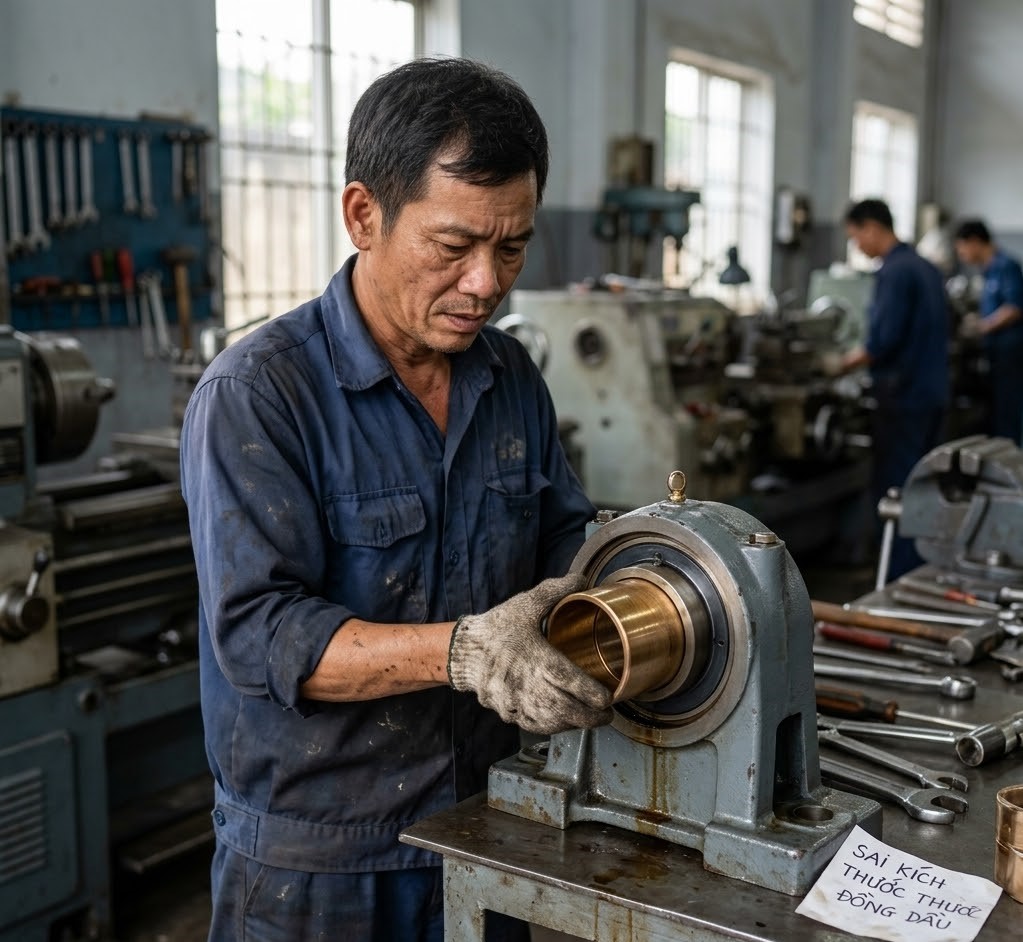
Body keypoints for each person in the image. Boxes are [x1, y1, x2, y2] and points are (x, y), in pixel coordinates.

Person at [179, 57, 614, 942]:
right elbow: (261, 635)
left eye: (512, 247)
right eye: (453, 247)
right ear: (363, 215)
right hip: (318, 867)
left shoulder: (509, 376)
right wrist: (464, 653)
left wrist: (630, 581)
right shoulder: (258, 395)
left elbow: (565, 541)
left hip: (488, 831)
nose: (486, 283)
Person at [840, 198, 949, 580]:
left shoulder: (894, 272)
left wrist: (840, 364)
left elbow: (882, 340)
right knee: (923, 482)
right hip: (932, 391)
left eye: (856, 237)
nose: (858, 246)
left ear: (872, 227)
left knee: (897, 489)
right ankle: (921, 566)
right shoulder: (925, 267)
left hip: (902, 396)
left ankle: (898, 574)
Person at [952, 218, 1023, 443]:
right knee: (994, 409)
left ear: (974, 242)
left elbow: (1014, 308)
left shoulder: (1006, 266)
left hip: (1009, 352)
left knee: (1007, 409)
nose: (962, 255)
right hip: (994, 351)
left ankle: (1009, 455)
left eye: (962, 249)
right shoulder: (987, 271)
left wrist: (982, 327)